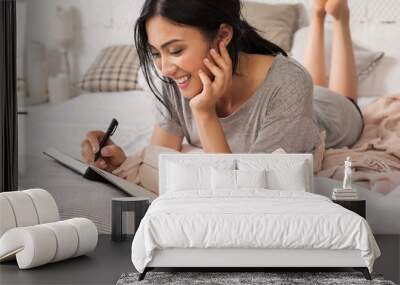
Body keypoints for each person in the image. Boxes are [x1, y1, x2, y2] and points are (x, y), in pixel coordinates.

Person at [81, 0, 363, 176]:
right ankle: (316, 16)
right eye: (156, 53)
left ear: (223, 36)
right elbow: (159, 162)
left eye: (176, 50)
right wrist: (119, 164)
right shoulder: (167, 79)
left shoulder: (289, 83)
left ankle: (338, 19)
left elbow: (243, 194)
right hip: (292, 100)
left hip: (329, 113)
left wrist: (204, 114)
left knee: (341, 95)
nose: (164, 68)